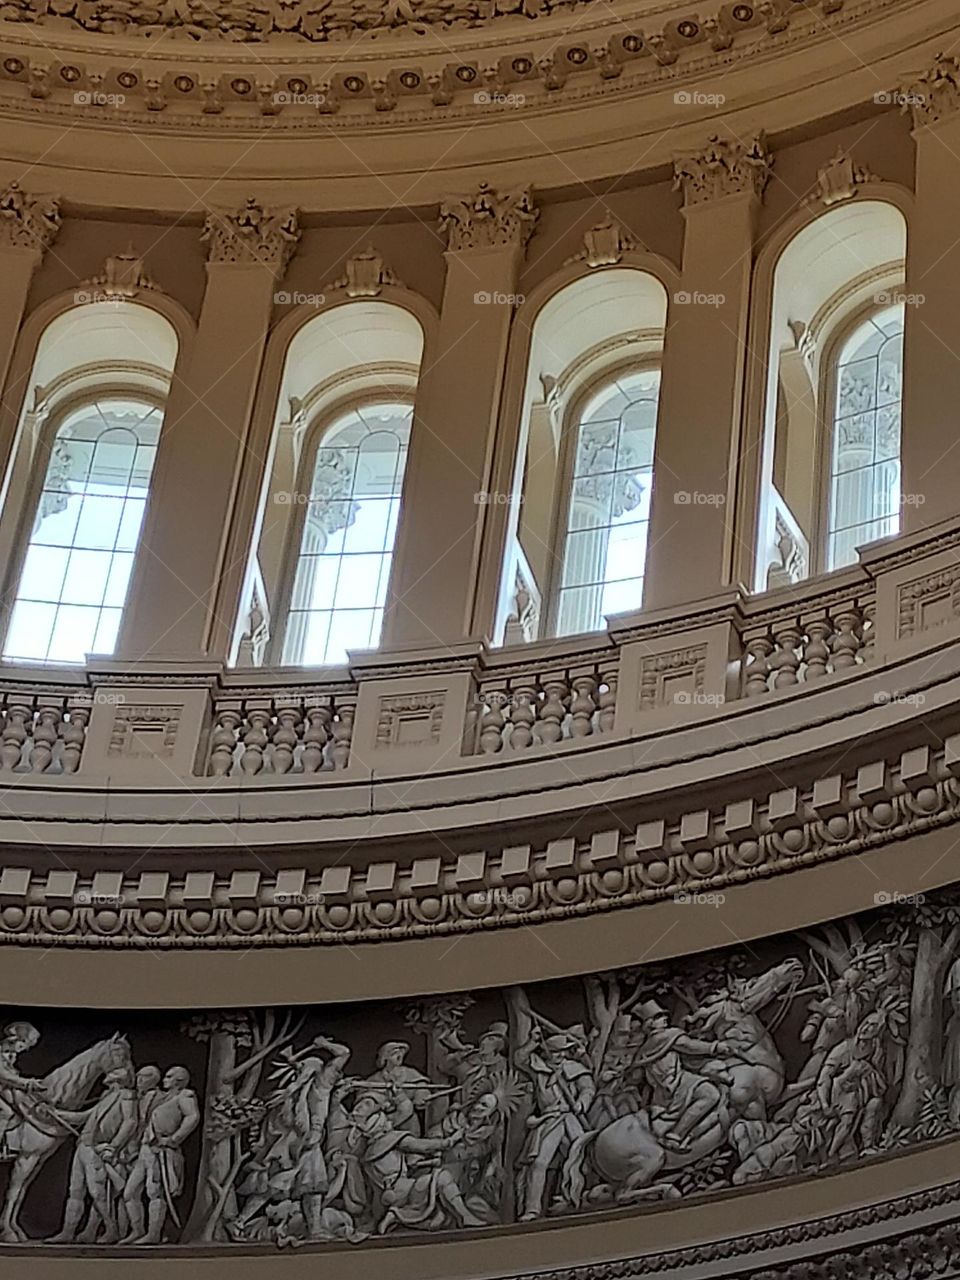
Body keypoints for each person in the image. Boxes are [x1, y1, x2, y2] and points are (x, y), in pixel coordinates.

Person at [346, 1093, 486, 1234]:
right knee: (443, 1177)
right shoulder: (392, 1139)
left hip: (384, 1200)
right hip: (405, 1191)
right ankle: (466, 1217)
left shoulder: (367, 1154)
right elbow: (423, 1146)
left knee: (441, 1217)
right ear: (381, 1123)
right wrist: (450, 1140)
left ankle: (395, 1216)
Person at [47, 1065, 138, 1245]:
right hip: (83, 1145)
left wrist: (114, 1147)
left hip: (97, 1147)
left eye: (111, 1078)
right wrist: (56, 1113)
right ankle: (68, 1232)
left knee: (97, 1191)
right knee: (76, 1191)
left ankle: (111, 1229)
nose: (108, 1080)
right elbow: (84, 1117)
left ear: (118, 1081)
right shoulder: (106, 1097)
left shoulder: (126, 1096)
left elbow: (130, 1122)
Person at [515, 1023, 595, 1220]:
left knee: (582, 1159)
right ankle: (532, 1209)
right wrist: (533, 1041)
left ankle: (578, 1200)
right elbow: (520, 1059)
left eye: (563, 1052)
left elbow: (588, 1088)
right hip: (549, 1120)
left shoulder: (574, 1068)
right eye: (555, 1052)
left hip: (571, 1117)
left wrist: (581, 1104)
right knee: (539, 1163)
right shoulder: (539, 1068)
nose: (559, 1056)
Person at [119, 1066, 199, 1244]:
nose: (165, 1079)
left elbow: (192, 1117)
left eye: (169, 1077)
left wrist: (173, 1139)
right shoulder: (163, 1098)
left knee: (155, 1191)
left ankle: (153, 1233)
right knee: (130, 1193)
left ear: (179, 1080)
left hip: (163, 1150)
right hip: (146, 1149)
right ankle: (138, 1230)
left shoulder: (185, 1095)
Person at [0, 1022, 46, 1159]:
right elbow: (4, 1075)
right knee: (6, 1113)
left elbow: (11, 1075)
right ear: (18, 1040)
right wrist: (26, 1082)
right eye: (25, 1045)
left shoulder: (10, 1055)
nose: (25, 1050)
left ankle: (5, 1145)